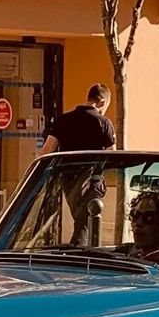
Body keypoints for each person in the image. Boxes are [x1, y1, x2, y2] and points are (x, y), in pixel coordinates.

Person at [41, 81, 117, 244]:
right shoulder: (104, 123)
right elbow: (111, 154)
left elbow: (47, 149)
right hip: (91, 179)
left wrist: (36, 174)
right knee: (85, 222)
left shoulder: (63, 120)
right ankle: (78, 252)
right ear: (102, 102)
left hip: (67, 179)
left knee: (81, 219)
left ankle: (81, 250)